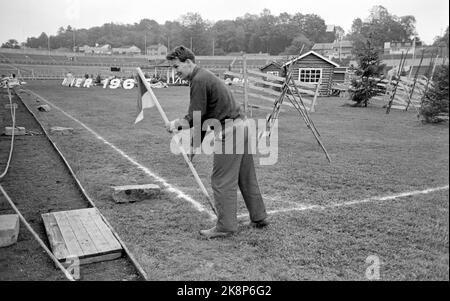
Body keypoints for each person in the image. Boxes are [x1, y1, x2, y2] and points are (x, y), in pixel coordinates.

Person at [165, 45, 269, 239]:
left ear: (188, 62)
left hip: (229, 131)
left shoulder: (198, 80)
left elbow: (194, 117)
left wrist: (175, 125)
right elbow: (204, 119)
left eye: (176, 66)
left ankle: (226, 227)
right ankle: (259, 217)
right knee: (246, 176)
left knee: (221, 180)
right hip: (244, 126)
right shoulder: (203, 76)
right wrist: (195, 147)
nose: (175, 72)